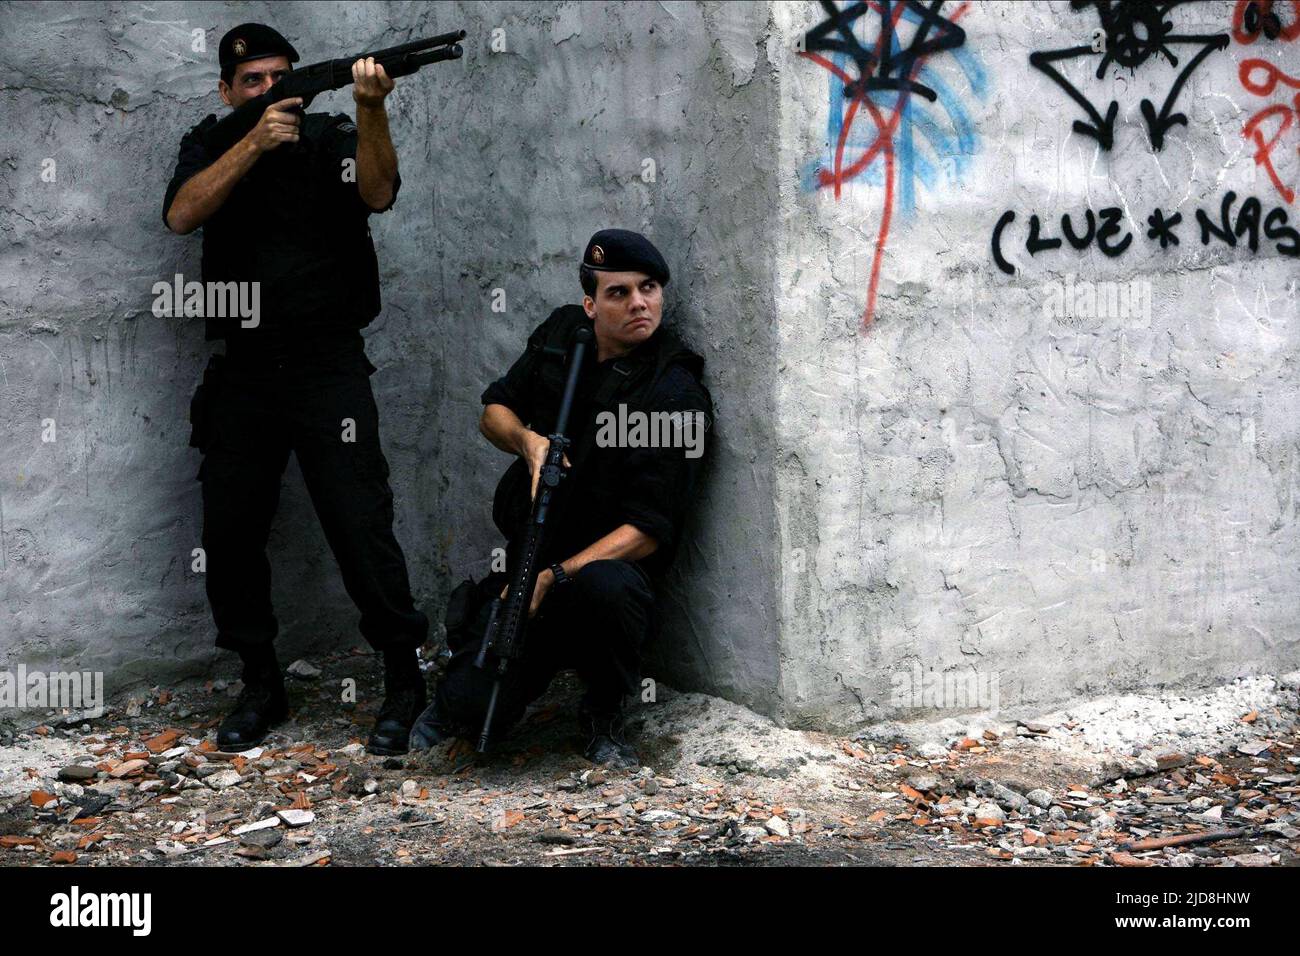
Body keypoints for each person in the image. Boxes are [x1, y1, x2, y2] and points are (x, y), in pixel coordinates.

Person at [163, 23, 428, 755]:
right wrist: (252, 143)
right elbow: (182, 213)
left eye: (281, 77)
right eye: (253, 81)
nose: (269, 90)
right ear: (228, 90)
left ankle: (404, 679)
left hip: (326, 364)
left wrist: (373, 108)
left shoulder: (330, 135)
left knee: (358, 519)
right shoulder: (214, 141)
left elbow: (378, 193)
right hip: (245, 367)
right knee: (230, 528)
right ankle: (260, 683)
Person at [410, 229, 713, 767]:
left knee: (607, 587)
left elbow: (648, 529)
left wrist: (552, 578)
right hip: (534, 549)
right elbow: (493, 410)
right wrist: (528, 443)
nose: (640, 303)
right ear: (590, 304)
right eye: (619, 293)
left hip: (601, 573)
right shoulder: (562, 336)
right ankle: (466, 690)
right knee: (474, 709)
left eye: (649, 288)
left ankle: (603, 712)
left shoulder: (672, 391)